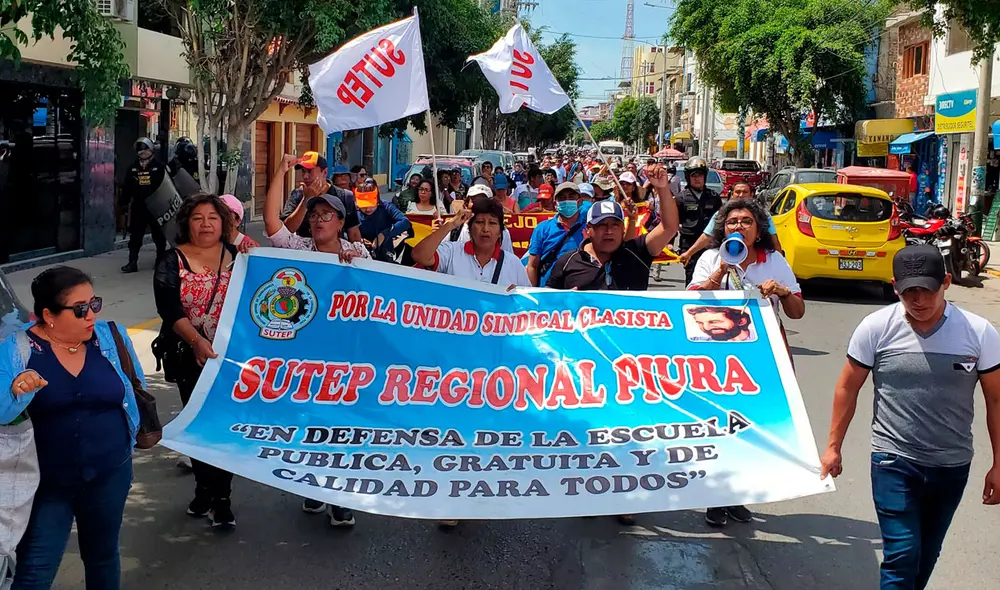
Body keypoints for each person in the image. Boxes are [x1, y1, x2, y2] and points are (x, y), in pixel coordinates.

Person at [820, 244, 1000, 590]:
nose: (918, 300)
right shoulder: (875, 328)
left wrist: (999, 463)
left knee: (927, 552)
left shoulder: (978, 333)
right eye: (909, 292)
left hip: (952, 465)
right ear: (894, 287)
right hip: (893, 461)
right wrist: (833, 447)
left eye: (926, 290)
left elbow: (996, 397)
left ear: (946, 282)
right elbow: (847, 387)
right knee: (902, 553)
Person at [0, 267, 143, 589]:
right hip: (46, 484)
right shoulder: (18, 350)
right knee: (35, 570)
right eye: (80, 309)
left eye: (94, 303)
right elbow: (1, 413)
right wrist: (17, 391)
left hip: (110, 472)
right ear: (48, 315)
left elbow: (133, 390)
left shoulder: (111, 337)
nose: (91, 314)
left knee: (102, 557)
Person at [687, 197, 804, 528]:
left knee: (753, 423)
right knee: (718, 422)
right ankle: (715, 496)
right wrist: (719, 274)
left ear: (759, 230)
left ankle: (737, 495)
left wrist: (782, 291)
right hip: (718, 358)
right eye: (732, 221)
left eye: (746, 221)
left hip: (762, 354)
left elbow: (797, 312)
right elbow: (690, 301)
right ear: (723, 229)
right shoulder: (711, 257)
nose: (738, 226)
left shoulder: (774, 260)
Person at [262, 156, 366, 527]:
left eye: (327, 216)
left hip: (347, 359)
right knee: (310, 424)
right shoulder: (298, 249)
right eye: (314, 215)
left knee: (343, 426)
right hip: (305, 358)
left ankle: (338, 495)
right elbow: (271, 221)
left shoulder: (359, 255)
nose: (319, 221)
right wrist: (279, 171)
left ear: (341, 222)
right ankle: (312, 485)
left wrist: (353, 267)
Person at [153, 194, 239, 529]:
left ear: (225, 223)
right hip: (190, 357)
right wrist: (197, 342)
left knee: (225, 426)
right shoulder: (171, 260)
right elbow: (169, 309)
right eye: (198, 217)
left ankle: (222, 499)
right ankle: (205, 489)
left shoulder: (239, 257)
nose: (205, 224)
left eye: (213, 218)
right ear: (186, 222)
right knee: (200, 425)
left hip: (231, 359)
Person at [546, 163, 678, 294]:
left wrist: (662, 188)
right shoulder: (567, 262)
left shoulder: (637, 253)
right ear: (588, 229)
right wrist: (563, 300)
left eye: (615, 225)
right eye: (601, 225)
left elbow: (669, 227)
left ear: (623, 229)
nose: (609, 231)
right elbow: (545, 303)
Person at [411, 196, 530, 290]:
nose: (485, 229)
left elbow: (529, 303)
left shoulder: (514, 265)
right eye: (479, 222)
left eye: (492, 223)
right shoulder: (451, 252)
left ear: (500, 232)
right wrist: (451, 224)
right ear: (470, 228)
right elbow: (420, 256)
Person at [680, 182, 781, 263]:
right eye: (737, 192)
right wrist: (689, 253)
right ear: (732, 194)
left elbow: (774, 241)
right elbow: (707, 236)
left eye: (745, 192)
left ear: (752, 195)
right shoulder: (720, 214)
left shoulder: (764, 215)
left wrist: (781, 263)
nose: (741, 195)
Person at [279, 152, 363, 244]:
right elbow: (285, 231)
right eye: (303, 171)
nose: (305, 176)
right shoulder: (297, 195)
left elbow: (354, 233)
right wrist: (305, 200)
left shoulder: (344, 197)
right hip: (303, 252)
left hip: (333, 253)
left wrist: (358, 254)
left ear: (325, 172)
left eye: (310, 171)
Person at [526, 182, 587, 287]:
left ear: (580, 201)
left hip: (580, 293)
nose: (567, 201)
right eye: (562, 198)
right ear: (555, 204)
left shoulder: (589, 228)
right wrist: (533, 294)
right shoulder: (542, 228)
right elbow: (532, 266)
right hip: (549, 293)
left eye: (571, 197)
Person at [121, 138, 167, 274]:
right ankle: (132, 262)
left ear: (151, 150)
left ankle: (160, 261)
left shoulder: (159, 167)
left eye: (145, 149)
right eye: (140, 149)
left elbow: (166, 186)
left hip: (156, 206)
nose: (143, 152)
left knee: (158, 236)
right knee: (135, 236)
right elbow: (127, 187)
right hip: (139, 207)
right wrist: (124, 203)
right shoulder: (133, 168)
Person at [675, 157, 723, 285]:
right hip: (689, 245)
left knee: (712, 278)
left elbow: (721, 222)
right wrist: (669, 243)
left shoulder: (714, 197)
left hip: (711, 244)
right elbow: (673, 223)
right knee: (692, 279)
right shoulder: (681, 198)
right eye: (694, 175)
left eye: (700, 175)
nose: (697, 178)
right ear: (688, 177)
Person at [355, 179, 412, 261]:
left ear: (377, 199)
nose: (367, 209)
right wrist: (358, 239)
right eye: (363, 206)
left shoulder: (386, 207)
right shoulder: (353, 210)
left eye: (371, 205)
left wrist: (384, 234)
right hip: (361, 254)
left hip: (385, 253)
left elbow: (405, 222)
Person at [687, 306, 754, 342]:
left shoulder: (762, 339)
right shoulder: (699, 342)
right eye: (700, 323)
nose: (706, 327)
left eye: (714, 322)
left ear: (741, 321)